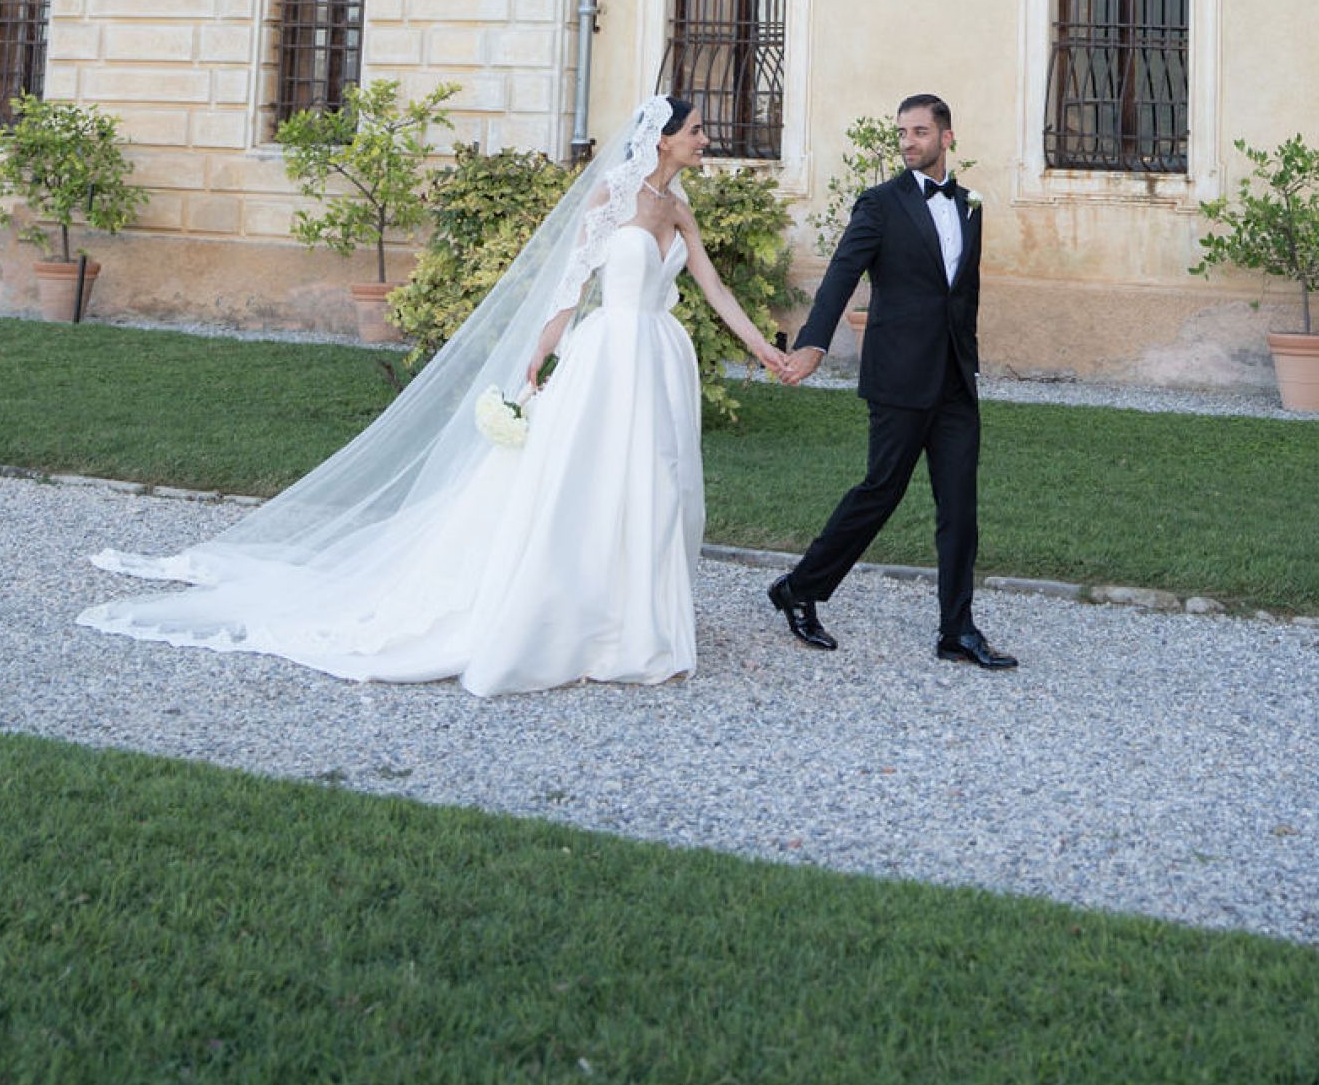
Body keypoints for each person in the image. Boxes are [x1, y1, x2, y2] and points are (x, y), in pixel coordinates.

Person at [78, 97, 788, 697]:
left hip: (659, 357)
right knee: (591, 485)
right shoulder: (611, 198)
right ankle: (573, 615)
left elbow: (714, 289)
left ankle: (640, 623)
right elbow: (571, 283)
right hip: (608, 357)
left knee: (655, 488)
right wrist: (542, 350)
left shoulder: (678, 207)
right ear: (663, 136)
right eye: (696, 130)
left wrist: (763, 348)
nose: (705, 140)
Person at [770, 93, 1017, 671]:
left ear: (947, 138)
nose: (908, 142)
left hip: (955, 380)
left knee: (960, 506)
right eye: (902, 132)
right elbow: (841, 275)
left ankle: (957, 629)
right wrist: (812, 343)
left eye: (919, 132)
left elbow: (963, 292)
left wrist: (968, 358)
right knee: (881, 490)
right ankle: (800, 587)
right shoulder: (880, 204)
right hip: (899, 376)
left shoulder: (971, 205)